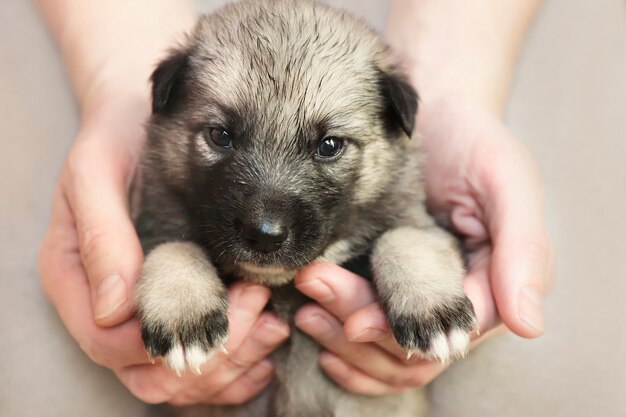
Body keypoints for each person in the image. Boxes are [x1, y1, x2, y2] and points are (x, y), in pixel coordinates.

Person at [37, 0, 554, 405]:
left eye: (330, 147)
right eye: (220, 136)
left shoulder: (389, 212)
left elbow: (420, 237)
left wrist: (419, 273)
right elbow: (160, 248)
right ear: (165, 106)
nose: (264, 219)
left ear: (396, 128)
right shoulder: (170, 200)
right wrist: (174, 270)